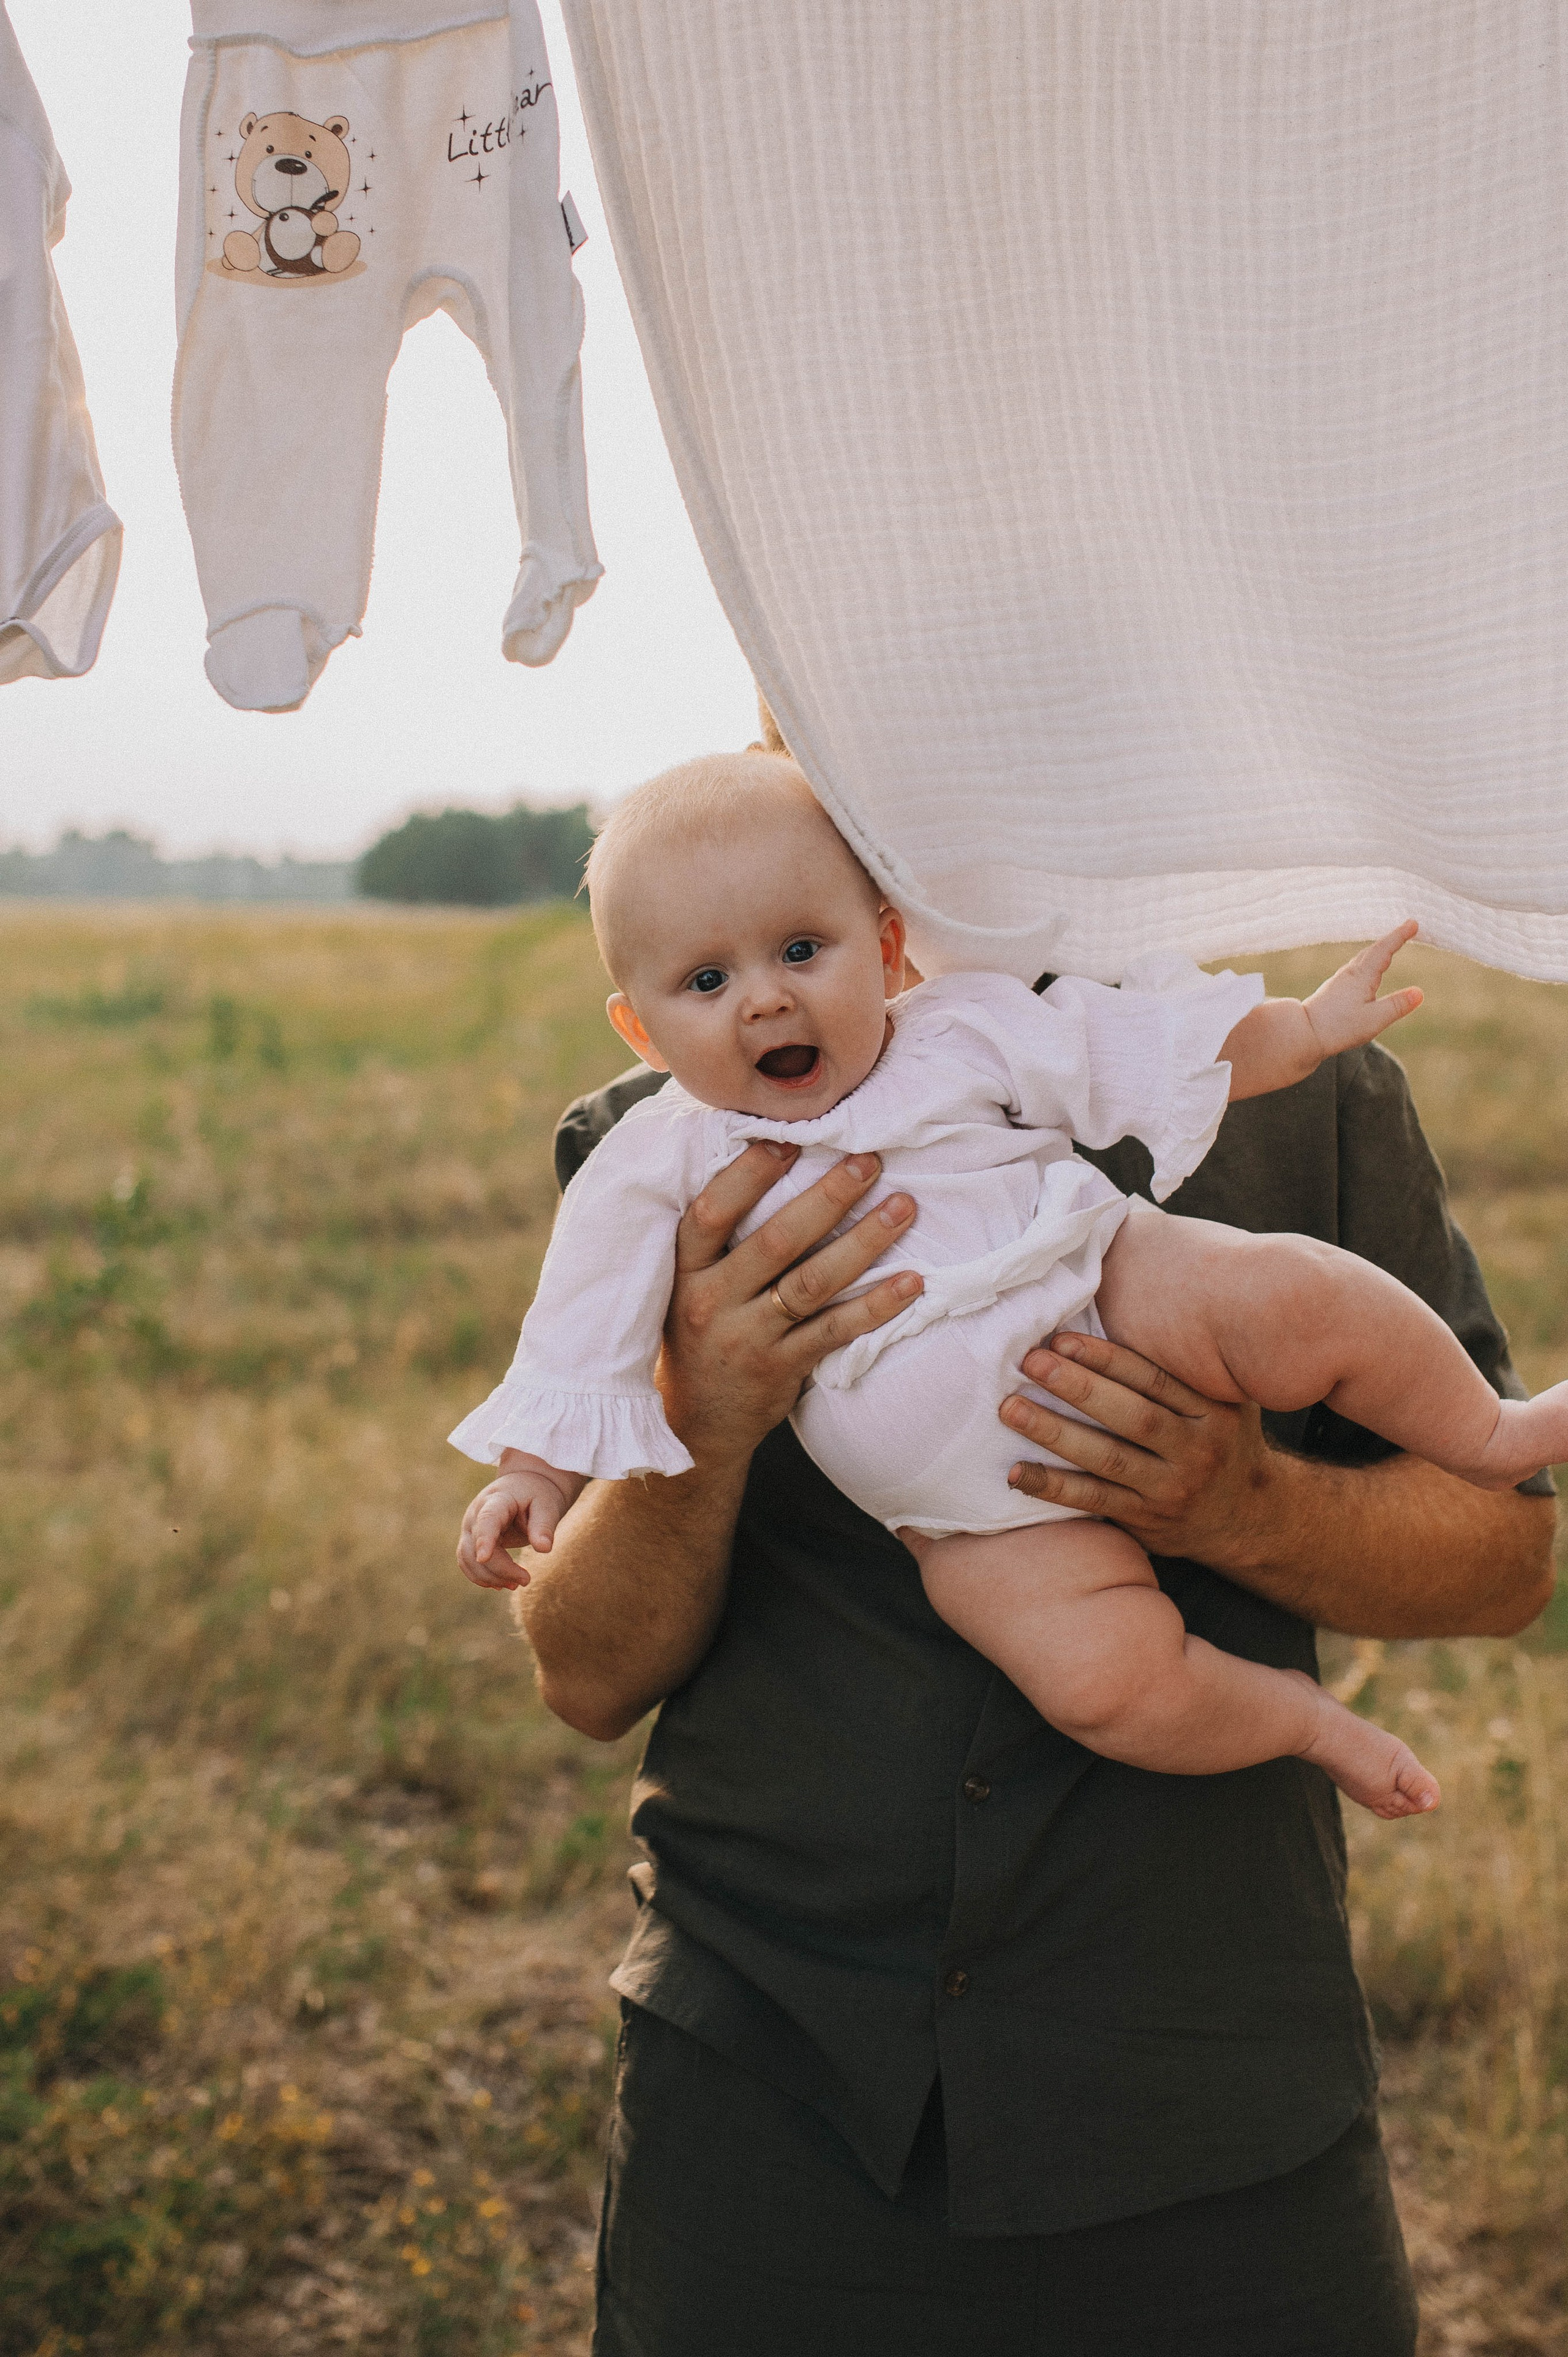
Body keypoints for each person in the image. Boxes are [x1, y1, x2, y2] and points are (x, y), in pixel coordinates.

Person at [458, 753, 1556, 2353]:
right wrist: (705, 1417)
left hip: (1214, 2077)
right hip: (778, 2068)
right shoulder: (657, 1160)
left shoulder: (1268, 1090)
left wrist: (1233, 1503)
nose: (763, 997)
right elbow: (584, 1676)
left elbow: (1504, 1570)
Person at [454, 754, 1562, 1825]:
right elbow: (577, 1338)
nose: (763, 1003)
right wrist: (541, 1474)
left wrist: (1305, 1032)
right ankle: (1306, 1726)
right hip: (959, 1512)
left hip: (1090, 1284)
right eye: (707, 981)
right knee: (1103, 1682)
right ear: (641, 1029)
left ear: (887, 952)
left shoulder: (961, 1030)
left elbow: (1147, 1053)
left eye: (801, 951)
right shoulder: (647, 1162)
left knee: (1290, 1294)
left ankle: (1497, 1430)